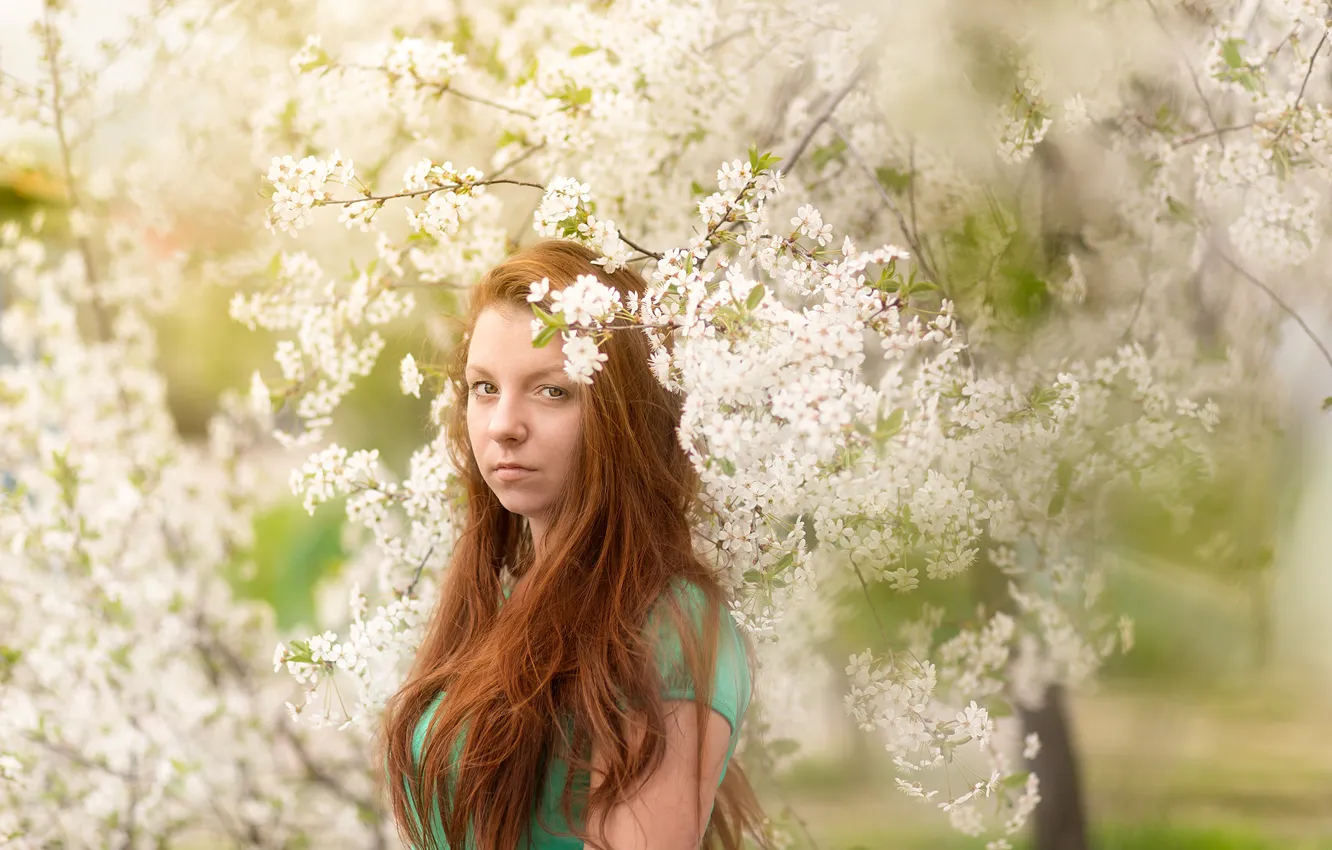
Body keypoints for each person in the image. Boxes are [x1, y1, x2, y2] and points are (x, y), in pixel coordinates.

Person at [377, 240, 768, 850]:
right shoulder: (499, 602)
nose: (504, 423)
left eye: (552, 390)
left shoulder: (667, 621)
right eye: (484, 388)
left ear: (624, 416)